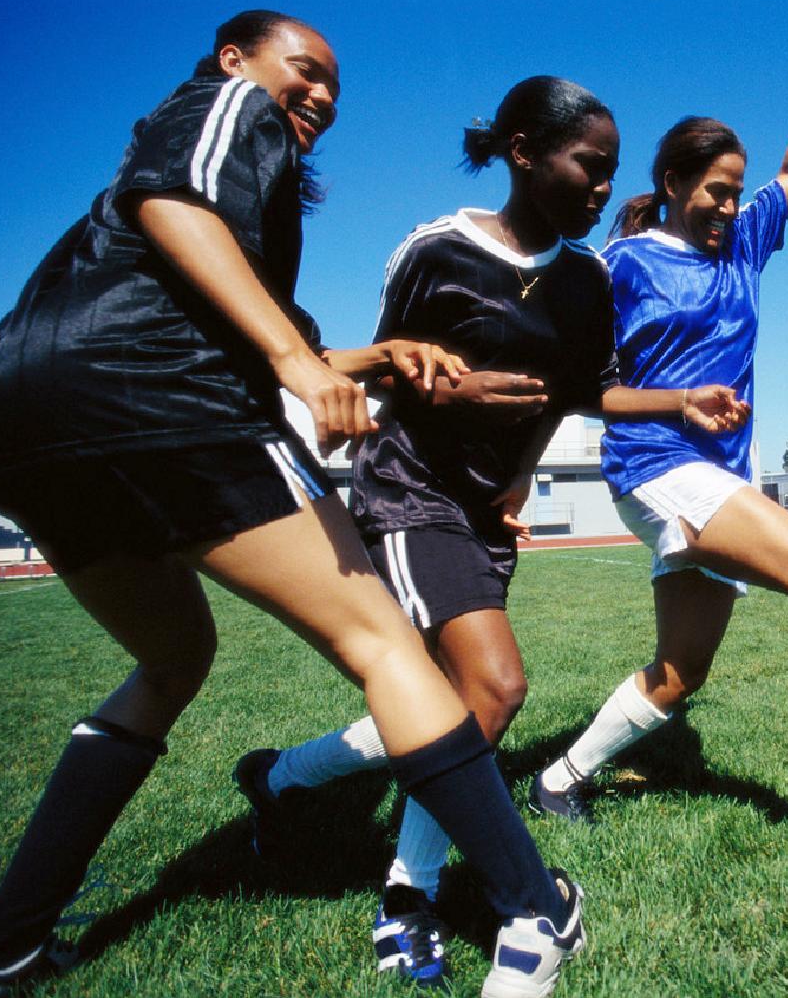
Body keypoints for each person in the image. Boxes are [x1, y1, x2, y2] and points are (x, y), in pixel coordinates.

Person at [0, 13, 584, 998]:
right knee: (386, 645)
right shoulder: (223, 107)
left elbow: (251, 317)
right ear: (235, 60)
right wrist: (296, 362)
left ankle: (2, 947)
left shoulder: (251, 217)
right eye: (304, 70)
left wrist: (377, 357)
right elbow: (170, 202)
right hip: (153, 393)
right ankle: (533, 905)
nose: (322, 95)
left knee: (171, 658)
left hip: (17, 420)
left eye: (335, 86)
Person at [230, 76, 748, 985]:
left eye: (612, 171)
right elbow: (377, 366)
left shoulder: (586, 278)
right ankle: (410, 891)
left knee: (444, 701)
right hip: (409, 491)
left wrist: (678, 401)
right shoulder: (436, 248)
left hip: (486, 513)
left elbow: (588, 391)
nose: (603, 187)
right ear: (523, 153)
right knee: (495, 686)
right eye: (588, 165)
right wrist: (451, 388)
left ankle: (281, 779)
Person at [530, 12, 788, 872]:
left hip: (717, 476)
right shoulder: (621, 265)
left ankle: (557, 780)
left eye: (734, 191)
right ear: (673, 181)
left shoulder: (744, 245)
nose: (727, 205)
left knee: (680, 672)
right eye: (714, 189)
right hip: (652, 465)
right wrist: (675, 404)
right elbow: (580, 385)